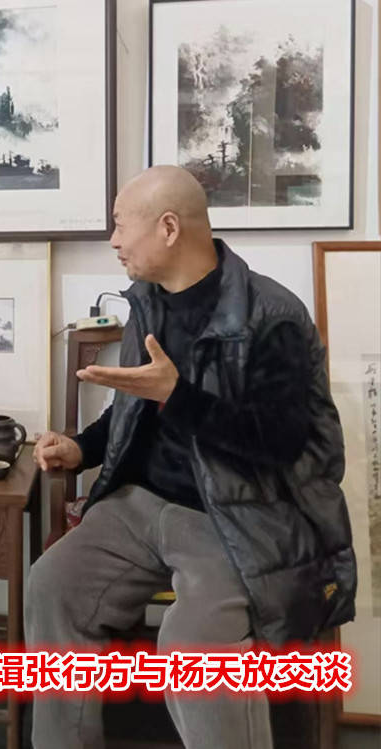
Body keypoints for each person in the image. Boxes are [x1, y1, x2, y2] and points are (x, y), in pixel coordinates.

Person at [26, 165, 356, 749]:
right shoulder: (148, 303)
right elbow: (131, 408)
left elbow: (283, 445)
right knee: (52, 583)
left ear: (169, 228)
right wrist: (80, 449)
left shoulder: (272, 314)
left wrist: (178, 396)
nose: (113, 240)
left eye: (120, 224)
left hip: (235, 514)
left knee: (194, 647)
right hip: (137, 504)